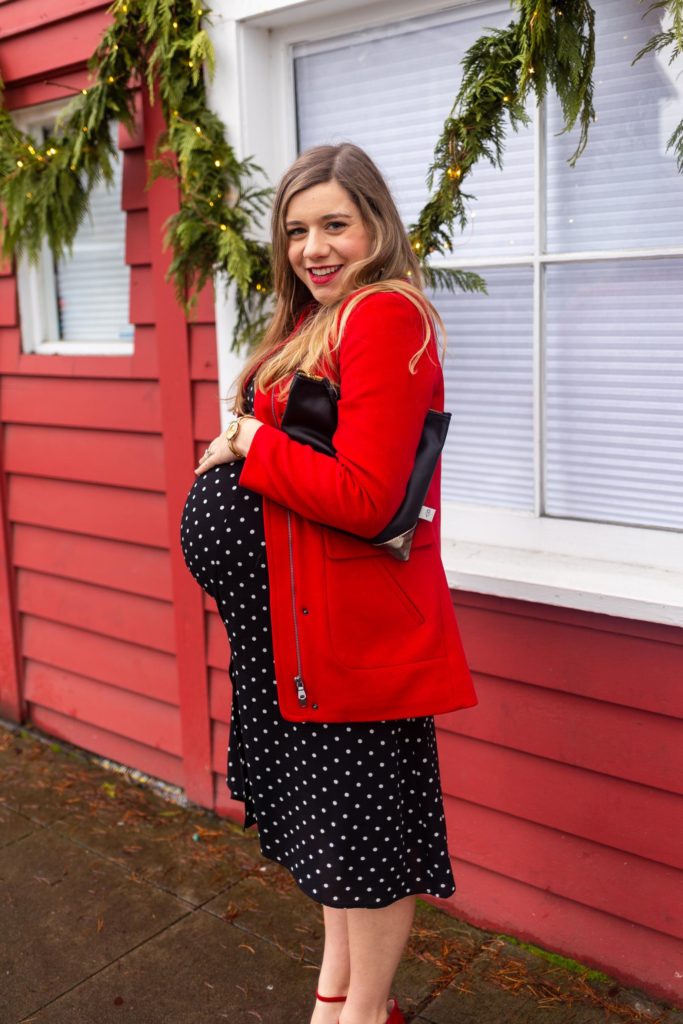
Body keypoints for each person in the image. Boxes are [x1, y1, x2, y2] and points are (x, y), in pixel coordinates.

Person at [180, 142, 477, 1024]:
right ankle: (335, 1000)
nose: (313, 246)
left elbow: (369, 496)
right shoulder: (319, 320)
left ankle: (363, 1015)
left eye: (334, 225)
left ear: (375, 226)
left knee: (367, 853)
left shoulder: (383, 314)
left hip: (349, 652)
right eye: (297, 228)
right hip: (294, 645)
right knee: (333, 849)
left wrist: (245, 443)